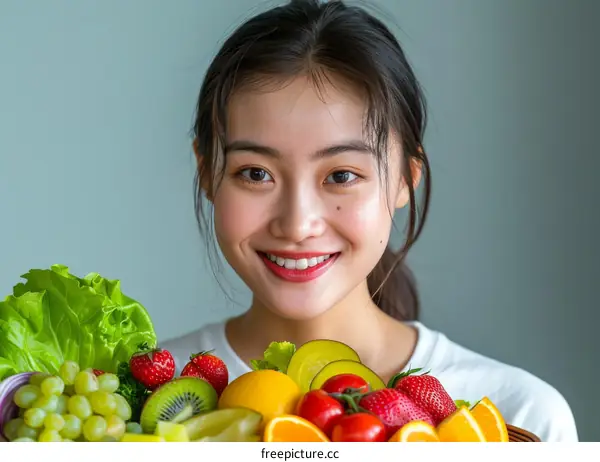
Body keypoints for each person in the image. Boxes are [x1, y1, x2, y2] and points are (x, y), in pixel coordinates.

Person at [162, 0, 578, 442]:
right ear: (207, 173)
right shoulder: (143, 404)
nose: (298, 224)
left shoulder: (520, 413)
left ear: (405, 179)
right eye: (256, 173)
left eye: (341, 175)